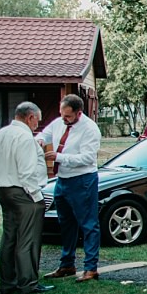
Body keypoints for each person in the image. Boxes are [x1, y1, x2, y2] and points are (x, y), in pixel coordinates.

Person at [0, 101, 53, 294]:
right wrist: (37, 197)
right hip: (22, 192)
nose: (37, 126)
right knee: (28, 240)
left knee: (9, 237)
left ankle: (8, 282)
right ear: (30, 117)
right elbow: (26, 173)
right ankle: (28, 282)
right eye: (37, 121)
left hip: (3, 190)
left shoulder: (0, 134)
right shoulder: (25, 138)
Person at [38, 94, 103, 281]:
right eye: (61, 114)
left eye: (67, 116)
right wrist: (40, 140)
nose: (63, 119)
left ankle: (91, 268)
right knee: (65, 223)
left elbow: (87, 158)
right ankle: (67, 264)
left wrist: (58, 157)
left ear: (79, 113)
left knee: (88, 224)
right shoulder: (59, 122)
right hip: (62, 179)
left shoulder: (90, 129)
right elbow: (45, 132)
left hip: (82, 180)